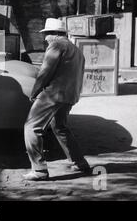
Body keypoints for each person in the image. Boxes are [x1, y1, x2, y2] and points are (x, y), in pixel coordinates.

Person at [23, 18, 90, 181]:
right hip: (70, 95)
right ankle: (80, 163)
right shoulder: (75, 49)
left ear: (54, 34)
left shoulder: (56, 45)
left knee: (32, 127)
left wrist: (35, 92)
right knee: (60, 127)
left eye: (46, 34)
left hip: (53, 94)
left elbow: (45, 72)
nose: (45, 38)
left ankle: (39, 170)